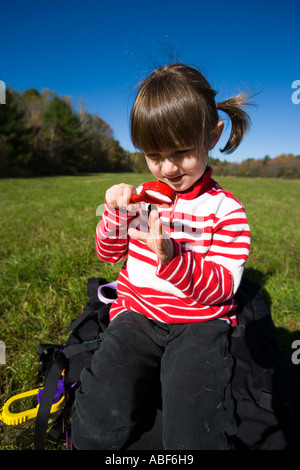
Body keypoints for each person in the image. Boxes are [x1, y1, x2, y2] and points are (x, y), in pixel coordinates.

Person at [72, 63, 252, 450]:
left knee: (195, 429)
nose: (168, 168)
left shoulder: (227, 212)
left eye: (182, 152)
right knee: (98, 422)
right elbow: (108, 255)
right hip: (136, 316)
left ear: (212, 135)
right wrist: (117, 214)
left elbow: (222, 289)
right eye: (154, 156)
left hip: (199, 324)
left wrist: (174, 261)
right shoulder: (142, 198)